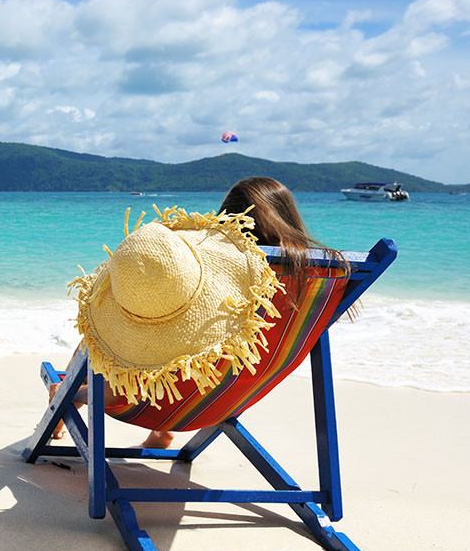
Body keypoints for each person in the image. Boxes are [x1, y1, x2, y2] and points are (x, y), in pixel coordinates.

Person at [50, 176, 348, 448]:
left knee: (102, 328)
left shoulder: (219, 281)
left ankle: (70, 394)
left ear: (229, 217)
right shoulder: (317, 276)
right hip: (227, 400)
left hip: (159, 402)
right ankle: (154, 432)